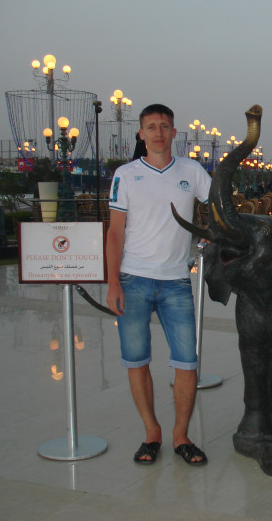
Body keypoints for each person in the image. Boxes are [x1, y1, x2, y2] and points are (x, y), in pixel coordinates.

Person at [106, 104, 212, 467]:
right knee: (137, 361)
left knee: (187, 362)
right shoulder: (125, 175)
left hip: (176, 281)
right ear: (141, 134)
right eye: (151, 127)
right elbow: (115, 231)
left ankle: (181, 435)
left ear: (174, 132)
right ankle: (152, 432)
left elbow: (219, 205)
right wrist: (113, 283)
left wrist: (212, 233)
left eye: (164, 126)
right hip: (133, 279)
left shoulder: (192, 171)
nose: (158, 133)